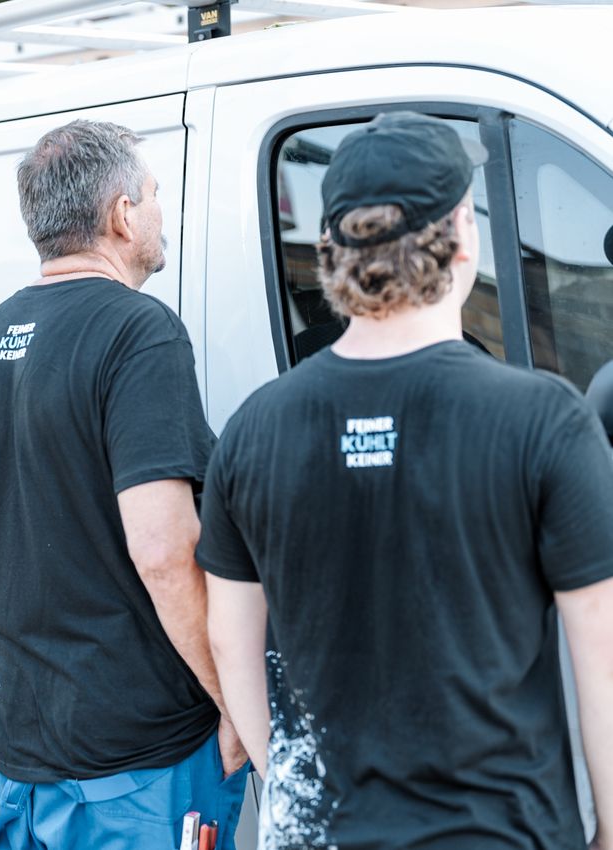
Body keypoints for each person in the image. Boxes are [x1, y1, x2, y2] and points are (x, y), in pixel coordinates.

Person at [201, 112, 613, 850]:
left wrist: (300, 806)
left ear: (329, 250)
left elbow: (232, 646)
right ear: (462, 231)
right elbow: (604, 663)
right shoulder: (543, 421)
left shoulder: (252, 431)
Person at [0, 119, 248, 850]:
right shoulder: (140, 332)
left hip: (22, 760)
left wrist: (1, 651)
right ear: (122, 215)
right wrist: (237, 702)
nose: (161, 212)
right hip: (142, 764)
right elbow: (161, 548)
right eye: (154, 195)